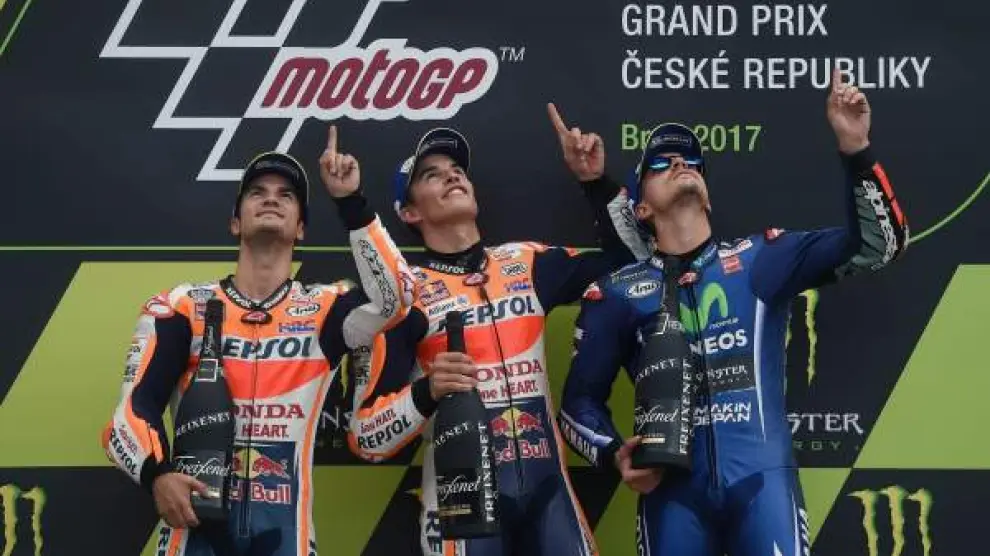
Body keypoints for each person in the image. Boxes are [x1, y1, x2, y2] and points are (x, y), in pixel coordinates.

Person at [557, 69, 909, 556]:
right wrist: (615, 453)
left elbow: (879, 246)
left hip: (762, 487)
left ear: (706, 194)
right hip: (671, 498)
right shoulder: (617, 293)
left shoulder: (763, 258)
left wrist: (856, 149)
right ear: (641, 209)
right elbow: (577, 405)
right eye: (661, 162)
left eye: (692, 162)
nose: (680, 163)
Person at [345, 104, 649, 556]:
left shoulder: (526, 262)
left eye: (456, 170)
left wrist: (594, 182)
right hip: (463, 500)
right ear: (408, 212)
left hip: (550, 492)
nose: (451, 176)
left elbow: (632, 263)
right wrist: (427, 391)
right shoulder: (404, 297)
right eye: (431, 175)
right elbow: (365, 437)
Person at [100, 125, 416, 556]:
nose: (271, 199)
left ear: (301, 228)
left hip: (286, 536)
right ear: (236, 222)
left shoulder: (325, 310)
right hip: (192, 533)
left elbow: (398, 299)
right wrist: (157, 475)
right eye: (257, 192)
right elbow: (130, 412)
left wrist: (351, 204)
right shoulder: (182, 307)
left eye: (286, 195)